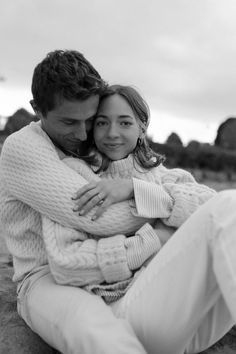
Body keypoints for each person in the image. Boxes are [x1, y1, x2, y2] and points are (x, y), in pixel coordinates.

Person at [0, 50, 235, 354]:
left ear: (142, 128)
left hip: (140, 292)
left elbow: (208, 203)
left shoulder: (143, 170)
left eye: (90, 120)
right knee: (95, 330)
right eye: (71, 122)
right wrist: (164, 232)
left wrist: (135, 189)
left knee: (228, 206)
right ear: (37, 109)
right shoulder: (30, 150)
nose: (83, 133)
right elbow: (102, 221)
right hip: (47, 280)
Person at [42, 85, 216, 306]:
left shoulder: (164, 176)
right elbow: (67, 262)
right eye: (102, 123)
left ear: (142, 128)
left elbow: (214, 207)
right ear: (92, 128)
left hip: (181, 294)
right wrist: (154, 241)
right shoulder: (74, 174)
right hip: (119, 302)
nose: (112, 133)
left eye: (125, 122)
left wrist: (134, 188)